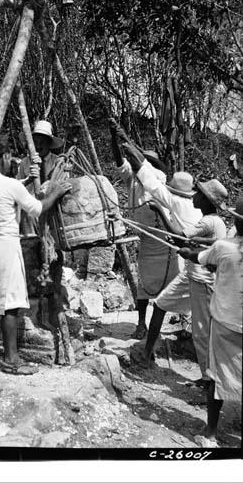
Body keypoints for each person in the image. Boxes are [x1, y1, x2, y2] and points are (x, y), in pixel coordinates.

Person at [0, 138, 71, 375]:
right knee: (10, 306)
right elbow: (38, 208)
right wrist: (57, 193)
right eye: (10, 158)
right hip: (6, 248)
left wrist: (25, 181)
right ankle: (11, 359)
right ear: (5, 158)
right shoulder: (11, 186)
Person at [132, 175, 227, 380]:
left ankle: (208, 381)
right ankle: (147, 354)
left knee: (201, 333)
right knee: (160, 304)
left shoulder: (208, 221)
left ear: (206, 201)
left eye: (199, 194)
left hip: (202, 280)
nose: (195, 196)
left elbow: (178, 235)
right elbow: (208, 241)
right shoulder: (214, 222)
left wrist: (160, 213)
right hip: (192, 275)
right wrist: (195, 242)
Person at [179, 195, 242, 447]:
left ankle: (210, 434)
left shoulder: (224, 247)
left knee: (216, 376)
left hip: (226, 324)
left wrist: (186, 252)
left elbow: (200, 258)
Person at [110, 119, 179, 339]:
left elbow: (141, 164)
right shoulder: (133, 179)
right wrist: (114, 137)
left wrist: (125, 136)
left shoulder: (158, 178)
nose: (137, 162)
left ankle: (185, 323)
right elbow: (120, 160)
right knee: (143, 285)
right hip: (147, 240)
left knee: (176, 280)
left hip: (165, 240)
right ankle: (141, 324)